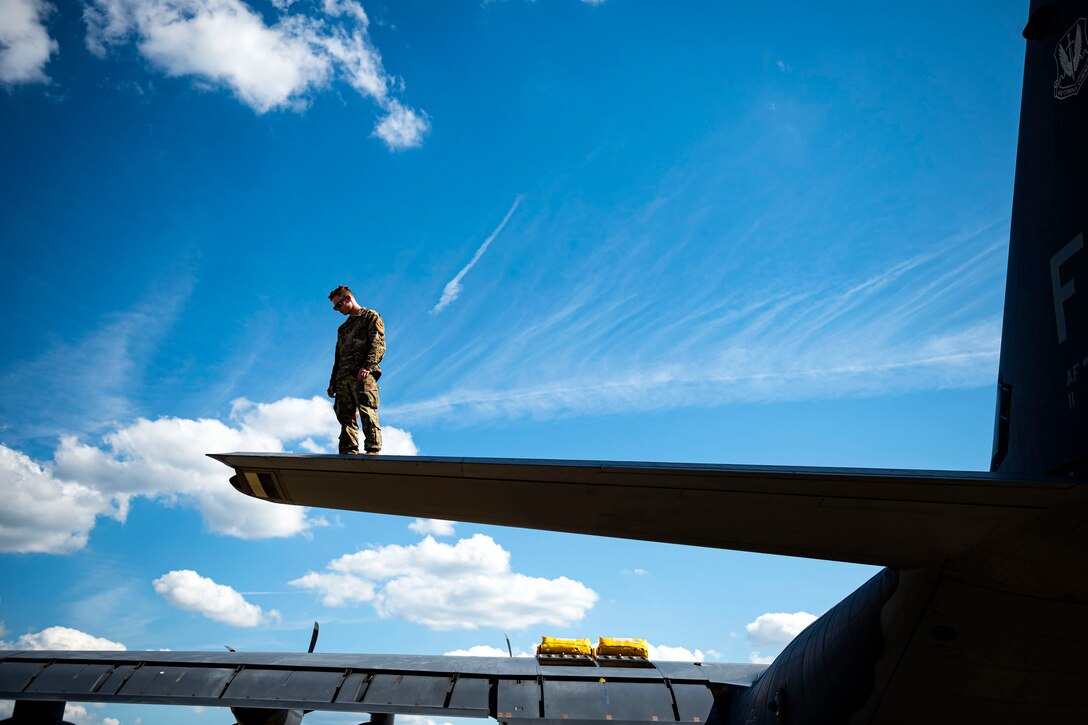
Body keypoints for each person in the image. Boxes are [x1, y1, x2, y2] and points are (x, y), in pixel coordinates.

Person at [327, 285, 385, 455]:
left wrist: (367, 366)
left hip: (362, 375)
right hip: (343, 378)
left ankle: (372, 450)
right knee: (345, 416)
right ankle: (348, 451)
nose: (338, 309)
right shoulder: (342, 329)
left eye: (339, 305)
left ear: (348, 299)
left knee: (367, 410)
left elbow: (378, 344)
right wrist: (332, 382)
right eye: (335, 307)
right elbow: (338, 357)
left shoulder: (370, 317)